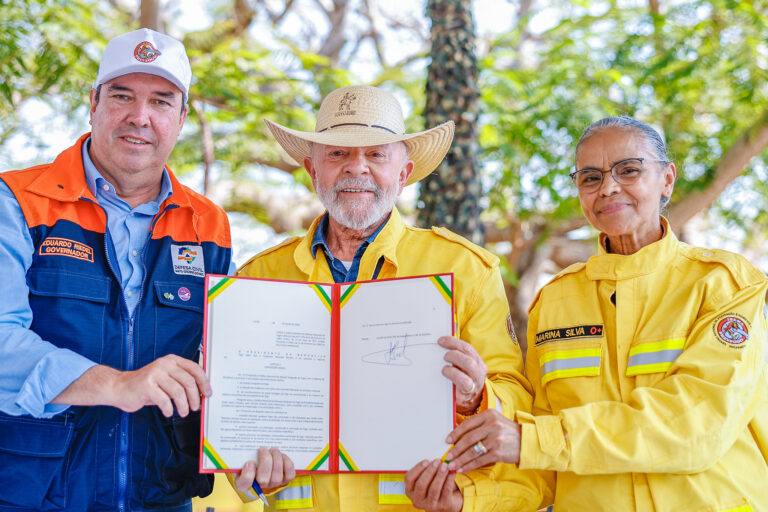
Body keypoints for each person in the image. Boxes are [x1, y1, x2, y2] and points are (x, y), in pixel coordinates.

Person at [228, 85, 549, 511]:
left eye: (376, 155)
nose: (355, 169)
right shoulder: (258, 277)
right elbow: (240, 425)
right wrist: (250, 473)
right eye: (338, 155)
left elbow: (517, 398)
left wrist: (477, 395)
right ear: (312, 170)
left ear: (403, 172)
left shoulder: (468, 268)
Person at [444, 116, 768, 511]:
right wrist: (469, 501)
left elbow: (695, 427)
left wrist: (535, 440)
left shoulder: (725, 286)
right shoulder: (555, 302)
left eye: (629, 170)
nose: (609, 187)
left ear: (667, 179)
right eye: (590, 178)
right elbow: (539, 468)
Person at [0, 28, 233, 511]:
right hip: (34, 494)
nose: (139, 117)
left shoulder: (208, 224)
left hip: (162, 497)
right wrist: (118, 385)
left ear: (183, 117)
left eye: (162, 101)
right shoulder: (16, 201)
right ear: (93, 102)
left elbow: (224, 362)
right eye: (122, 95)